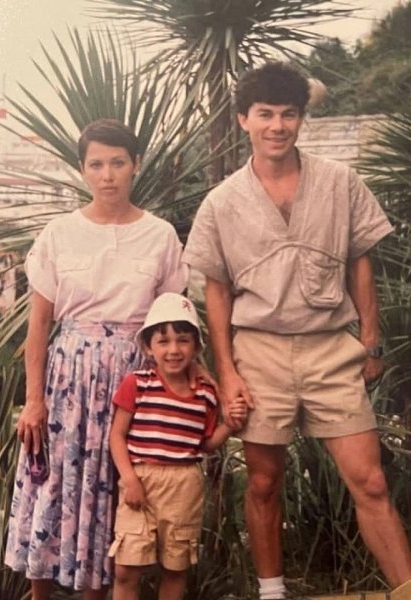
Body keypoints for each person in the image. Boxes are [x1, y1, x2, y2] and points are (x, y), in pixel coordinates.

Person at [182, 62, 411, 600]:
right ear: (244, 120)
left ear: (302, 118)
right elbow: (217, 292)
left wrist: (370, 341)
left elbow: (360, 261)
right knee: (264, 484)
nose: (278, 126)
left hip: (330, 348)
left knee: (371, 481)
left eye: (289, 114)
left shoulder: (340, 181)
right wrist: (227, 372)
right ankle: (273, 592)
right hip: (259, 351)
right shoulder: (221, 202)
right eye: (265, 114)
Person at [5, 119, 188, 600]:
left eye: (118, 163)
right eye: (97, 165)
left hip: (135, 379)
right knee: (55, 484)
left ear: (136, 165)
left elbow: (171, 321)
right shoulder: (59, 233)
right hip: (69, 379)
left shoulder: (160, 235)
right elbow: (38, 328)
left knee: (115, 488)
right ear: (83, 169)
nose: (108, 175)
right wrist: (34, 400)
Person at [108, 292, 247, 600]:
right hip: (140, 480)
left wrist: (229, 425)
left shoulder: (205, 394)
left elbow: (206, 444)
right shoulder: (137, 383)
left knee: (175, 567)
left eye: (183, 340)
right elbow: (116, 435)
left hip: (184, 485)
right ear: (148, 346)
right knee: (126, 567)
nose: (173, 350)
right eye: (163, 341)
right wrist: (130, 479)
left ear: (196, 347)